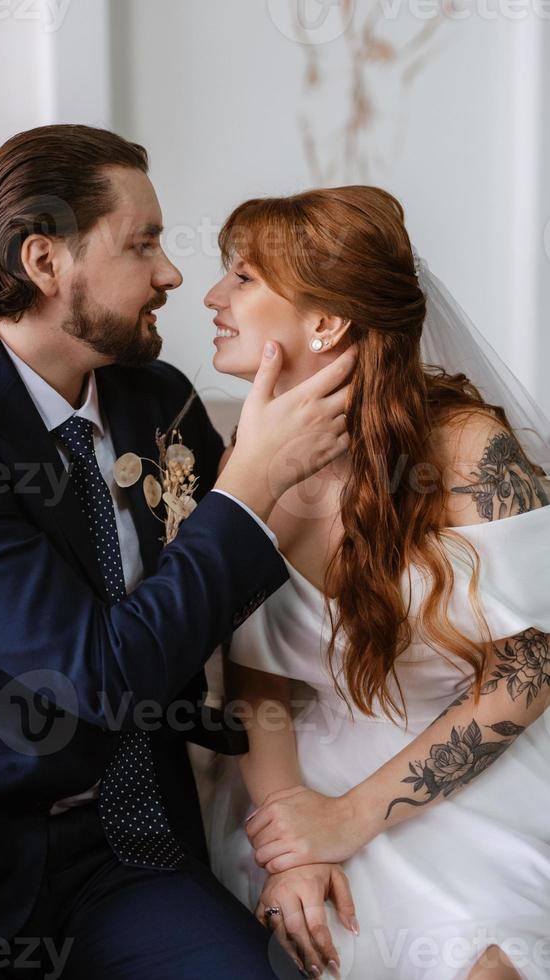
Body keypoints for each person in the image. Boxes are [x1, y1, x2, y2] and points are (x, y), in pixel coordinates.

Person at [0, 125, 356, 979]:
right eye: (142, 243)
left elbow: (260, 602)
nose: (173, 273)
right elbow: (93, 674)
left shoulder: (161, 400)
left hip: (134, 846)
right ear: (45, 261)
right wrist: (246, 484)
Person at [202, 185, 550, 980]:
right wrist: (292, 843)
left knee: (488, 956)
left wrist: (350, 820)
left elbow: (529, 674)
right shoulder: (243, 462)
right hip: (297, 767)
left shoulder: (467, 449)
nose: (214, 297)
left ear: (325, 323)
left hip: (469, 752)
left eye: (243, 278)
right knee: (342, 934)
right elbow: (257, 682)